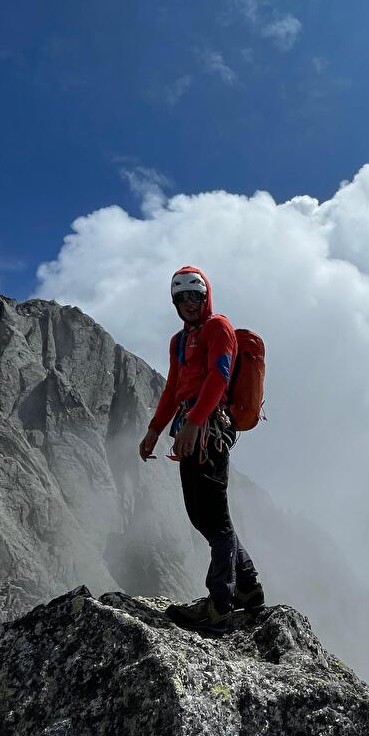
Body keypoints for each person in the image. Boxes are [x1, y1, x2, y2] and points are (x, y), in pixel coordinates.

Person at [139, 265, 263, 626]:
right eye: (182, 298)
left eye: (195, 296)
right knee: (200, 514)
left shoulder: (218, 327)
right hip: (190, 428)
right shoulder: (179, 341)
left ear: (206, 297)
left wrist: (194, 423)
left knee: (214, 517)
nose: (190, 303)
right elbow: (172, 387)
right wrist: (154, 430)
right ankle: (248, 589)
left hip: (209, 430)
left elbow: (219, 376)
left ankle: (220, 604)